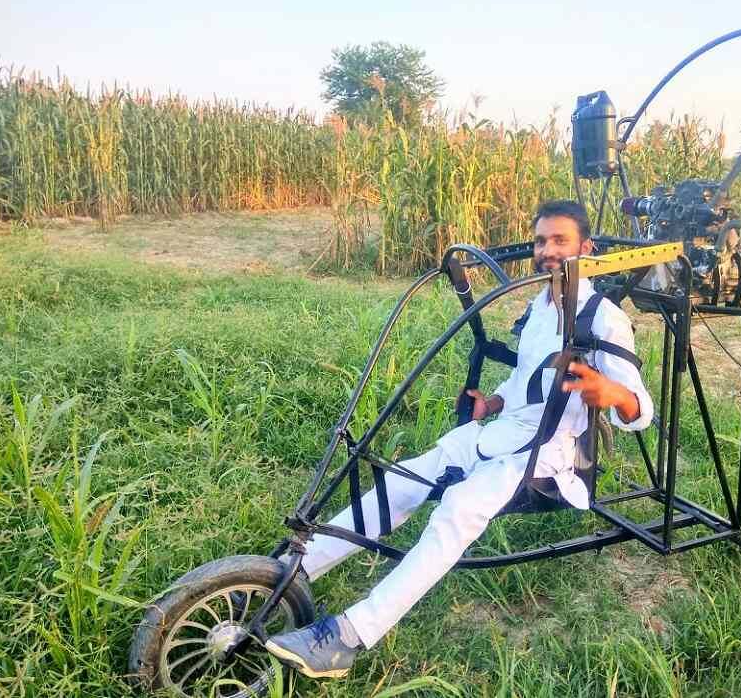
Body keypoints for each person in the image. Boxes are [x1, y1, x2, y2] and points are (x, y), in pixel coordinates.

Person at [265, 200, 654, 678]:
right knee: (407, 478)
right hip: (506, 433)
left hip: (551, 458)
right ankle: (293, 570)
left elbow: (641, 411)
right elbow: (525, 382)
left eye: (559, 241)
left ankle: (350, 636)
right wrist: (492, 403)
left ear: (586, 249)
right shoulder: (539, 305)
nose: (547, 251)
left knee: (458, 508)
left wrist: (608, 391)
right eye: (540, 241)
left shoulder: (603, 316)